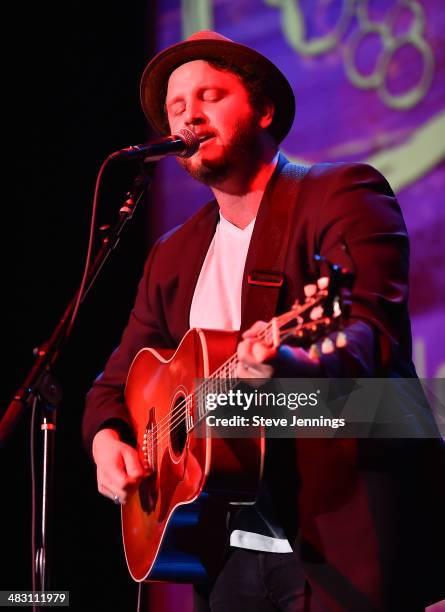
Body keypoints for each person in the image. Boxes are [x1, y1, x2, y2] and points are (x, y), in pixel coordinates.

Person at [83, 31, 444, 612]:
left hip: (337, 540)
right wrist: (107, 442)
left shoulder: (341, 194)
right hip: (221, 552)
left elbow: (369, 342)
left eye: (210, 96)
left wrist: (286, 366)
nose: (189, 116)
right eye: (177, 108)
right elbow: (112, 384)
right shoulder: (174, 254)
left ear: (264, 109)